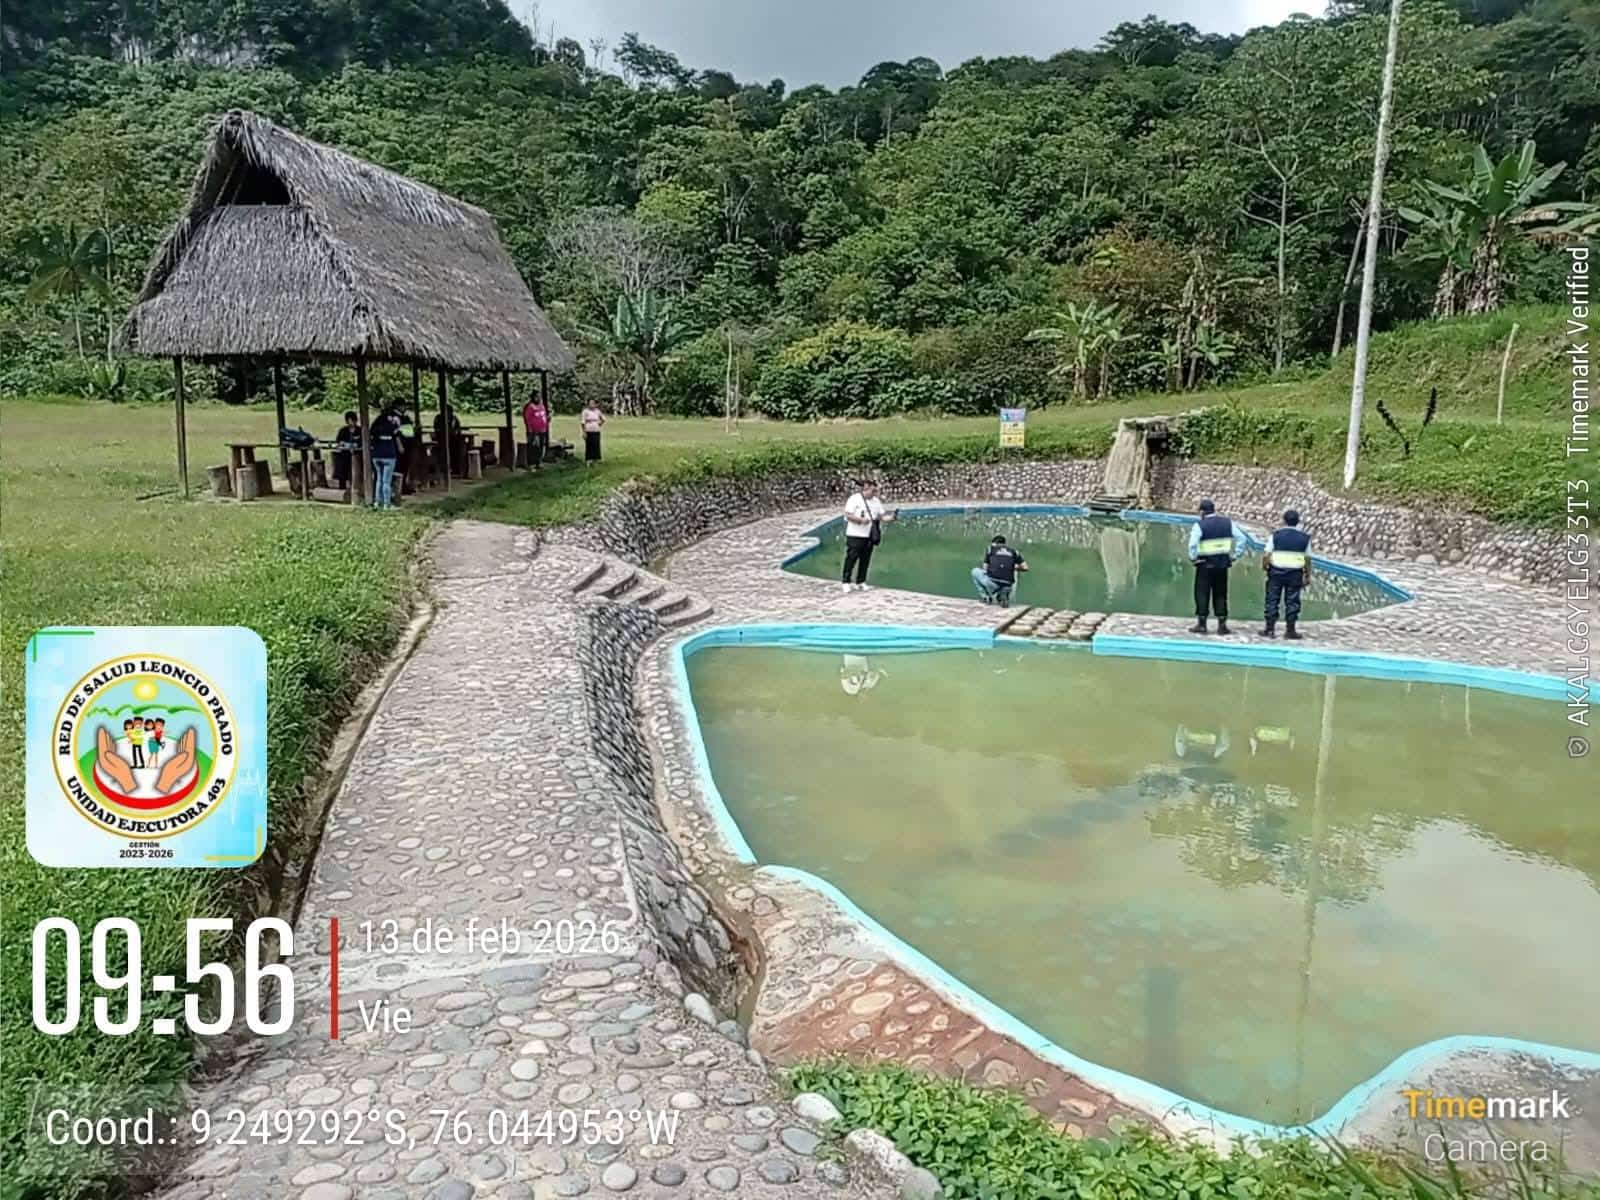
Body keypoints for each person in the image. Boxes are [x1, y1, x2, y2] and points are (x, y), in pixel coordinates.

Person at [1186, 498, 1246, 635]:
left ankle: (1202, 625)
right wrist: (1235, 555)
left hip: (1204, 564)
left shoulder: (1199, 525)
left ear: (1202, 512)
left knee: (1202, 593)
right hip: (1222, 564)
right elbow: (1242, 538)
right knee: (1220, 593)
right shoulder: (1227, 523)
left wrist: (1193, 557)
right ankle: (1222, 625)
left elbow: (1193, 544)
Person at [1259, 508, 1312, 640]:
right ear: (1298, 522)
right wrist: (1308, 575)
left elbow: (1266, 554)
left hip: (1276, 572)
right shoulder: (1305, 538)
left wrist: (1265, 566)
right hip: (1295, 573)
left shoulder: (1275, 535)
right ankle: (1290, 630)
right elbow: (1307, 559)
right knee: (1293, 602)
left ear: (1284, 521)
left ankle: (1270, 629)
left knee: (1272, 600)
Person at [840, 479, 896, 593]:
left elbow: (881, 517)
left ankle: (861, 581)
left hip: (869, 535)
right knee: (851, 558)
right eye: (872, 490)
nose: (874, 493)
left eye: (875, 491)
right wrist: (860, 520)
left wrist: (891, 518)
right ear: (866, 489)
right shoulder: (854, 499)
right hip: (855, 534)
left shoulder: (876, 501)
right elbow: (848, 515)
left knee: (865, 559)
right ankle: (846, 581)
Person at [972, 535, 1028, 606]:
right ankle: (1001, 594)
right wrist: (1013, 567)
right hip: (1008, 584)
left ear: (994, 543)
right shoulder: (1014, 551)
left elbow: (985, 568)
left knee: (975, 571)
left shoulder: (990, 549)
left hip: (993, 583)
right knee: (1003, 583)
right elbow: (1025, 567)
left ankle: (986, 597)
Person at [368, 404, 405, 509]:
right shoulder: (392, 425)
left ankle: (377, 502)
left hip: (376, 455)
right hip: (389, 454)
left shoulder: (376, 424)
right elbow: (398, 436)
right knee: (386, 481)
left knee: (378, 479)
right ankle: (386, 504)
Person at [332, 411, 360, 497]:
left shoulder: (360, 430)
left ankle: (355, 490)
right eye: (349, 420)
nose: (351, 422)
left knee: (355, 473)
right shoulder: (343, 431)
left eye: (353, 420)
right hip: (344, 455)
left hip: (356, 455)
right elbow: (338, 442)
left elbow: (362, 442)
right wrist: (343, 444)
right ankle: (342, 491)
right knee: (342, 472)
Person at [523, 392, 551, 470]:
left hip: (542, 430)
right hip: (533, 431)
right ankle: (530, 463)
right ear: (533, 397)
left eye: (539, 397)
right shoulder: (530, 407)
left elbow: (544, 416)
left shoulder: (542, 406)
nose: (538, 398)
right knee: (533, 447)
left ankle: (539, 462)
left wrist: (548, 419)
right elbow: (527, 419)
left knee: (541, 446)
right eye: (537, 397)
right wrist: (530, 430)